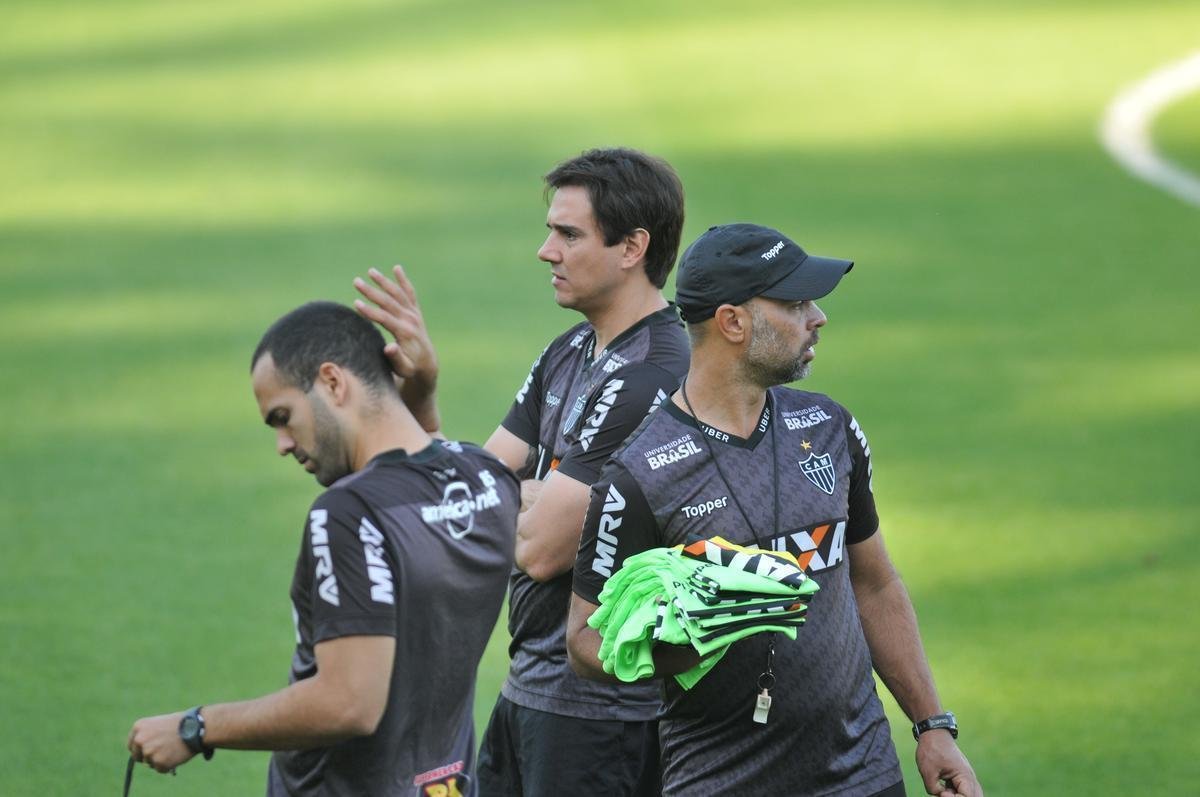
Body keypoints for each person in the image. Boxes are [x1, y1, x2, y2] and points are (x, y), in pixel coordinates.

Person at [567, 224, 983, 797]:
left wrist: (931, 725)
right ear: (733, 322)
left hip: (863, 773)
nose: (818, 318)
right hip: (722, 782)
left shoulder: (829, 427)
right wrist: (685, 637)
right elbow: (584, 641)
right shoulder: (640, 474)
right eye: (795, 303)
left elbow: (876, 583)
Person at [353, 148, 690, 795]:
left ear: (632, 248)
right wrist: (422, 393)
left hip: (600, 718)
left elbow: (538, 548)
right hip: (532, 689)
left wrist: (513, 499)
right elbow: (455, 500)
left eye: (568, 234)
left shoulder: (652, 373)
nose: (546, 251)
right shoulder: (567, 353)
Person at [126, 301, 520, 796]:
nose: (283, 444)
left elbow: (349, 702)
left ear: (333, 382)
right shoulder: (488, 480)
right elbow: (429, 469)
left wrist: (196, 726)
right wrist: (422, 393)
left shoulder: (349, 513)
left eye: (283, 417)